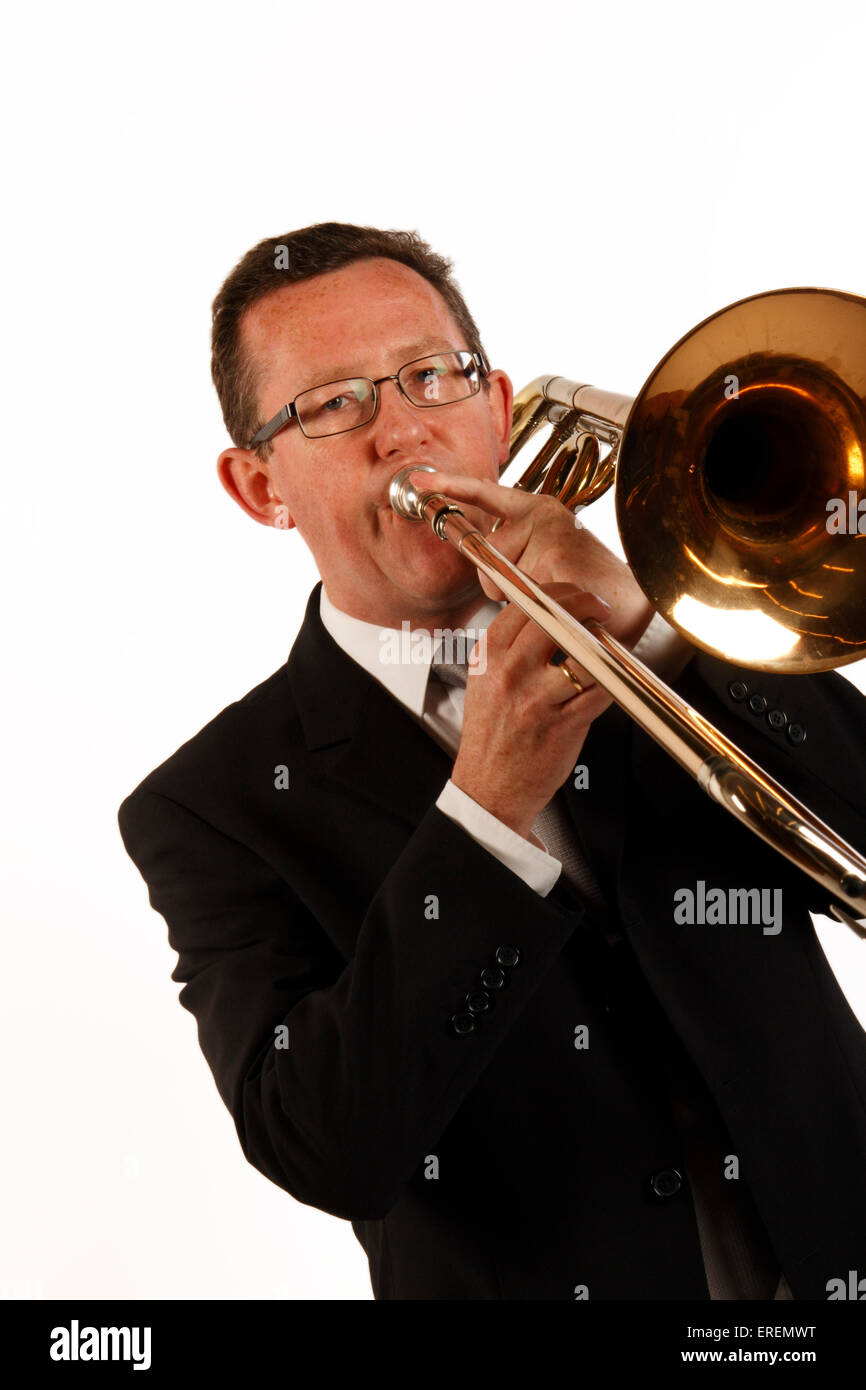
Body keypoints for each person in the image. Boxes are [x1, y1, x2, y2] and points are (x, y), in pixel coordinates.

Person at [118, 222, 866, 1300]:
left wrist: (656, 628)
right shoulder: (211, 807)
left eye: (430, 376)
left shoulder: (674, 641)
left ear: (499, 405)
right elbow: (327, 1146)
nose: (403, 433)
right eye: (333, 404)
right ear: (258, 488)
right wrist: (485, 806)